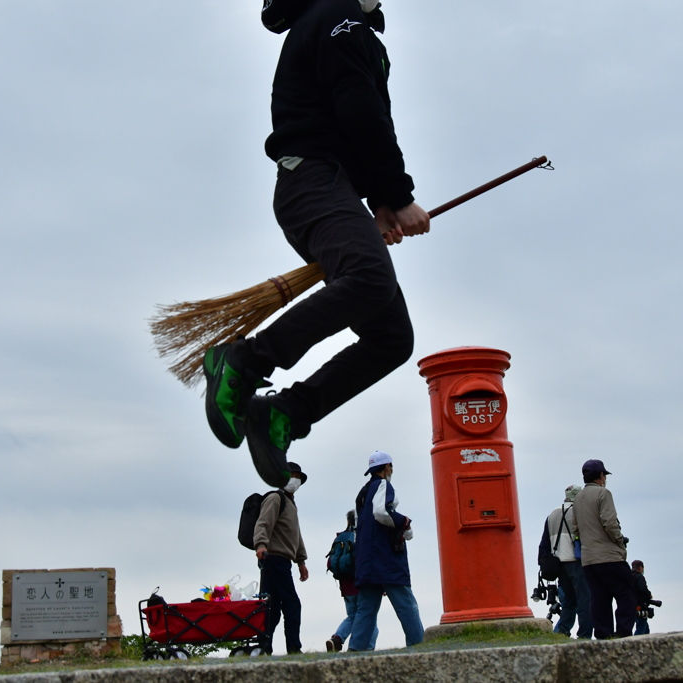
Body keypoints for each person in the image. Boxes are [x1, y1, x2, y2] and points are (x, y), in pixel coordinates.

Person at [203, 0, 431, 488]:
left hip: (332, 186)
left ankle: (284, 412)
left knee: (392, 339)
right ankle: (244, 361)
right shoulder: (335, 14)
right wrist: (396, 194)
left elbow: (354, 118)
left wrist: (379, 203)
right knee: (370, 279)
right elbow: (358, 106)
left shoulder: (347, 25)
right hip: (310, 180)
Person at [348, 451, 424, 650]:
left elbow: (360, 524)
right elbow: (381, 512)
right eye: (391, 466)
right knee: (405, 603)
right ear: (387, 467)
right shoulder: (383, 485)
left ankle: (355, 651)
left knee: (366, 609)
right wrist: (404, 523)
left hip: (365, 558)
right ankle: (419, 646)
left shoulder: (363, 492)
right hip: (386, 556)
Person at [571, 459, 637, 639]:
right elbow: (609, 522)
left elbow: (575, 528)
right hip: (609, 555)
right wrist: (619, 542)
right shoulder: (603, 493)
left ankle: (603, 635)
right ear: (601, 476)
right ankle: (623, 633)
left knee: (599, 598)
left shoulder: (577, 499)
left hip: (589, 559)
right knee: (626, 594)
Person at [253, 461, 309, 654]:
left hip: (283, 561)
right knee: (292, 604)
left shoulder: (290, 503)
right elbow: (263, 523)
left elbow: (295, 534)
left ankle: (263, 647)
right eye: (291, 476)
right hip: (273, 558)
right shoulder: (276, 498)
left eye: (298, 477)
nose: (295, 480)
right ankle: (294, 647)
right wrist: (260, 544)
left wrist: (301, 560)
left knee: (272, 608)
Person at [538, 484, 592, 639]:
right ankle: (585, 636)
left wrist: (543, 564)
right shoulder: (579, 512)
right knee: (585, 601)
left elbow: (544, 544)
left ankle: (561, 633)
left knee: (568, 602)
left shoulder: (552, 514)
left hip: (559, 565)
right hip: (577, 562)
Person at [326, 510, 378, 652]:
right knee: (369, 617)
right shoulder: (362, 536)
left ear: (348, 521)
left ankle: (337, 639)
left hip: (345, 586)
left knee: (352, 616)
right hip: (362, 584)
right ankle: (368, 649)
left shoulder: (340, 538)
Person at [631, 560, 653, 635]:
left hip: (630, 604)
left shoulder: (629, 576)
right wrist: (649, 595)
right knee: (641, 627)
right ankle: (634, 644)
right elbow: (642, 589)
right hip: (640, 605)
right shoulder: (639, 577)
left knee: (646, 629)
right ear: (640, 568)